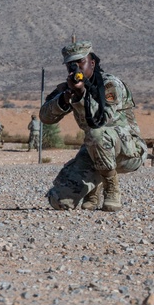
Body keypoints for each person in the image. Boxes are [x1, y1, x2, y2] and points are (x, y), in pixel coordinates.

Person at [40, 40, 146, 212]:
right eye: (71, 65)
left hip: (128, 151)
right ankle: (93, 189)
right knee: (59, 201)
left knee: (96, 134)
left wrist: (82, 95)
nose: (76, 68)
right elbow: (45, 117)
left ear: (92, 63)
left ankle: (111, 188)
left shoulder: (110, 85)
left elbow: (101, 120)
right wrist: (63, 99)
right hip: (95, 150)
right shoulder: (69, 87)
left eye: (80, 62)